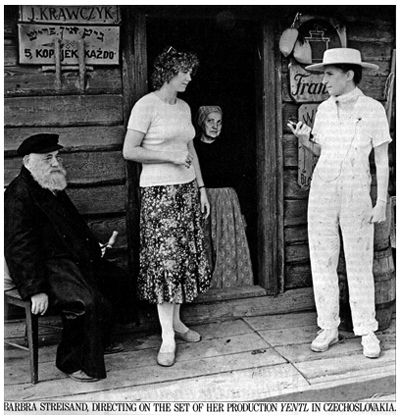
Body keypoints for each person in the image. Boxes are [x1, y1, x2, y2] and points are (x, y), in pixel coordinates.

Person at [4, 133, 136, 382]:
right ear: (27, 162)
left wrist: (93, 249)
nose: (55, 163)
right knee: (84, 302)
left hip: (71, 260)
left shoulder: (49, 183)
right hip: (46, 267)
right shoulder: (18, 195)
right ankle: (71, 362)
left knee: (117, 279)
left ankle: (98, 342)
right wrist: (35, 290)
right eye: (47, 158)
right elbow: (19, 248)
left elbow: (74, 226)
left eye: (56, 156)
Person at [288, 48, 391, 359]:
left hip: (357, 191)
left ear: (349, 75)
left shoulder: (372, 109)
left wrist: (381, 201)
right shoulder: (323, 110)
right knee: (323, 261)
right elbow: (321, 151)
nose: (324, 80)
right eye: (323, 73)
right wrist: (306, 140)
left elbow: (382, 161)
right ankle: (329, 326)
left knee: (359, 263)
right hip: (323, 191)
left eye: (330, 73)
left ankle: (367, 330)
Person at [122, 46, 211, 367]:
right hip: (159, 195)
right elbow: (130, 151)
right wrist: (168, 157)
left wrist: (201, 188)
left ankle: (176, 322)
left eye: (190, 72)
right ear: (168, 72)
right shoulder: (146, 106)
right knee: (166, 262)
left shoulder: (185, 107)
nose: (189, 78)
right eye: (184, 72)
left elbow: (190, 149)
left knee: (183, 257)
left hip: (186, 192)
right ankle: (167, 338)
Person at [194, 106, 253, 288]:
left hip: (227, 202)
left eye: (219, 122)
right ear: (201, 123)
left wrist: (242, 212)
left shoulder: (229, 147)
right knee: (203, 244)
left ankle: (227, 286)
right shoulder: (194, 147)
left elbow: (242, 180)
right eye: (210, 121)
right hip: (204, 199)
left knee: (226, 245)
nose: (215, 126)